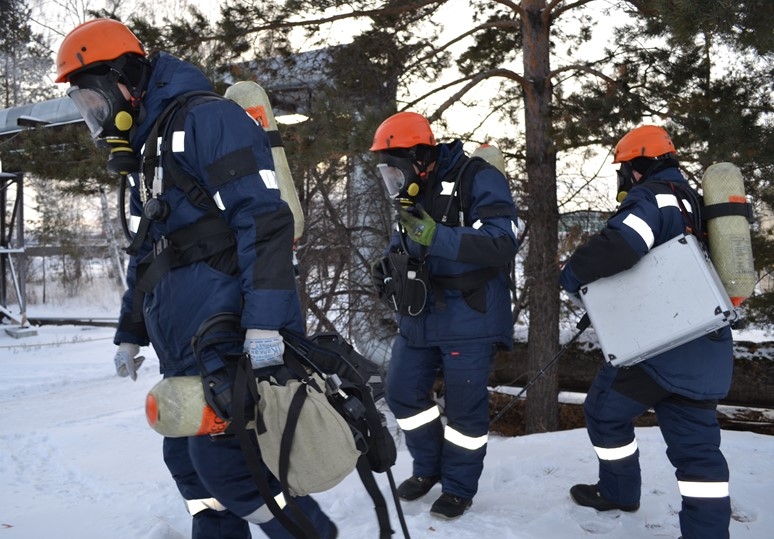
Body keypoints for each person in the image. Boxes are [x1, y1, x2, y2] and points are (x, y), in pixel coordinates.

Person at [56, 19, 336, 539]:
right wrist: (130, 332)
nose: (94, 118)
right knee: (190, 469)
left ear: (127, 77)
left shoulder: (210, 120)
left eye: (93, 100)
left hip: (227, 333)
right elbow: (149, 257)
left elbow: (265, 222)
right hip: (183, 343)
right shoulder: (149, 153)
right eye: (85, 109)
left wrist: (265, 327)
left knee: (233, 470)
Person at [559, 125, 733, 539]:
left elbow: (622, 245)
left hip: (659, 352)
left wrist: (572, 274)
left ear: (637, 167)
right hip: (706, 347)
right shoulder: (695, 201)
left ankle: (619, 492)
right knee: (700, 460)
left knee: (604, 410)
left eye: (623, 170)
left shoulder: (653, 196)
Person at [369, 112, 519, 520]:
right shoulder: (412, 187)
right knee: (401, 392)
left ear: (419, 156)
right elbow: (403, 238)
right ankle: (429, 467)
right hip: (419, 315)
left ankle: (458, 487)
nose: (391, 179)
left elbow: (502, 242)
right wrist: (387, 269)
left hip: (469, 316)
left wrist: (438, 236)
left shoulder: (478, 178)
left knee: (465, 410)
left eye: (393, 168)